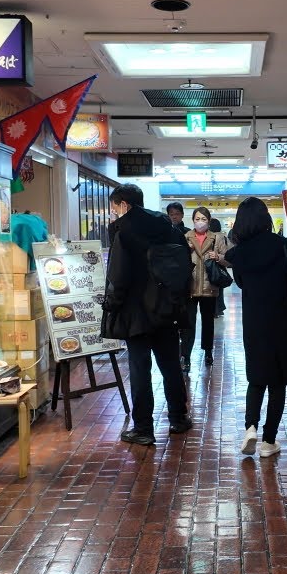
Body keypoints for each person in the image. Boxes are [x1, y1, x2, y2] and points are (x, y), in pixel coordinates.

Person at [101, 184, 192, 445]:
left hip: (136, 311)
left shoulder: (124, 232)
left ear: (124, 205)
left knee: (140, 369)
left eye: (114, 208)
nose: (113, 213)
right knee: (170, 364)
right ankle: (178, 417)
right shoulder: (168, 227)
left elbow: (118, 276)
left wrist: (111, 306)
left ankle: (143, 428)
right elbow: (184, 265)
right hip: (166, 308)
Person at [224, 197, 287, 458]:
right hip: (282, 318)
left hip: (254, 320)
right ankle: (268, 442)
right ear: (265, 219)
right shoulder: (284, 246)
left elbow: (240, 283)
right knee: (277, 382)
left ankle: (250, 427)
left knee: (256, 377)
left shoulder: (239, 253)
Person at [180, 207, 228, 371]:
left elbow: (228, 260)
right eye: (197, 219)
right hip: (190, 286)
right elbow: (178, 262)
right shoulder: (186, 237)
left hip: (209, 285)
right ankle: (185, 356)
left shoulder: (217, 238)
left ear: (209, 220)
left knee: (208, 322)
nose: (200, 222)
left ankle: (208, 352)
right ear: (192, 220)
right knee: (188, 324)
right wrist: (187, 251)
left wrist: (219, 257)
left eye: (204, 219)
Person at [209, 217, 227, 317]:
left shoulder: (211, 236)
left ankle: (215, 310)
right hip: (221, 264)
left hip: (212, 265)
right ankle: (219, 308)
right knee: (220, 288)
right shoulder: (223, 236)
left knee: (213, 289)